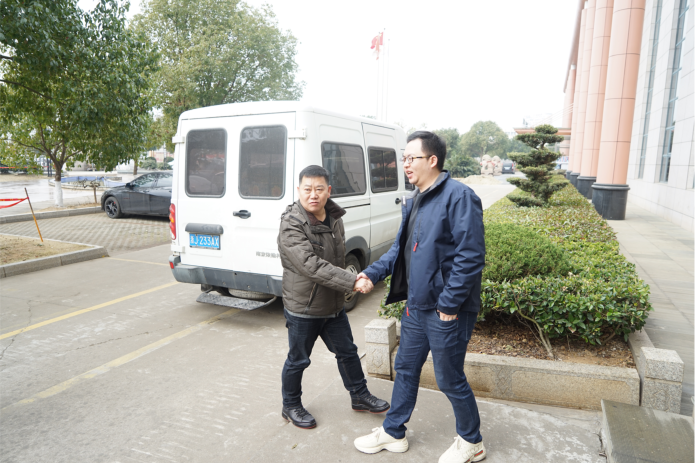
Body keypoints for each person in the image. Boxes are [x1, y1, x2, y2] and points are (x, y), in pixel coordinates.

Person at [353, 132, 487, 463]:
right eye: (404, 158)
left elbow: (470, 256)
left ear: (432, 160)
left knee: (449, 378)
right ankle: (393, 431)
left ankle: (472, 442)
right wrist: (371, 273)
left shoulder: (459, 196)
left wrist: (449, 305)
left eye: (411, 158)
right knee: (406, 368)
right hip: (417, 306)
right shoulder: (416, 199)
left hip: (446, 310)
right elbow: (399, 251)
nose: (405, 164)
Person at [277, 165, 389, 429]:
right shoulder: (291, 224)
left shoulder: (335, 217)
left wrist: (348, 283)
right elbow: (310, 265)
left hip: (333, 304)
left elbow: (338, 257)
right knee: (298, 359)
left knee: (347, 352)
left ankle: (359, 395)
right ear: (299, 190)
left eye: (319, 189)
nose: (313, 194)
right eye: (307, 189)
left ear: (328, 190)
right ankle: (290, 405)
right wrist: (353, 281)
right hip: (304, 307)